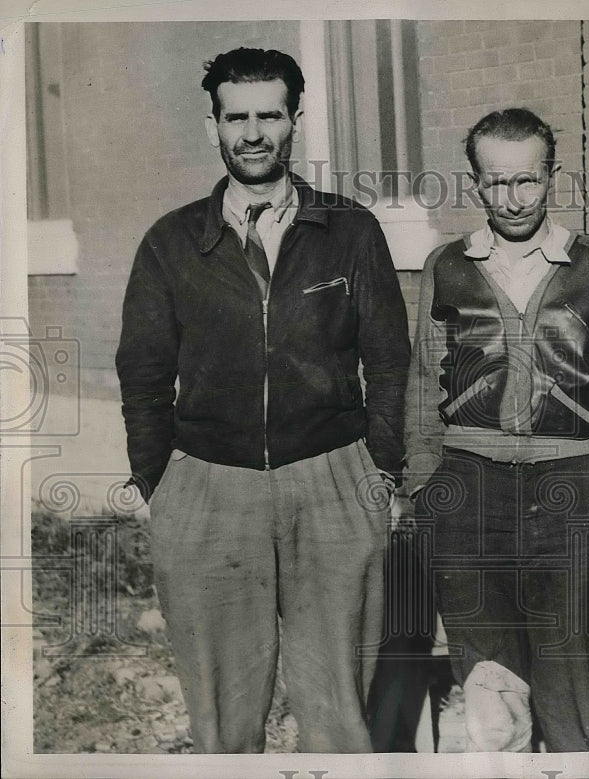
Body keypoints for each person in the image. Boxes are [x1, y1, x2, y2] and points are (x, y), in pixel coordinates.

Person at [115, 47, 410, 753]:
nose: (252, 133)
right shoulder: (173, 242)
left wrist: (384, 469)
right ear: (212, 124)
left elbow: (393, 361)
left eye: (269, 115)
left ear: (295, 120)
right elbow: (143, 372)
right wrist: (163, 482)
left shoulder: (350, 230)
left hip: (333, 479)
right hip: (209, 486)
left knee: (340, 716)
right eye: (236, 116)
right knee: (223, 720)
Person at [403, 108, 589, 752]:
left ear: (552, 177)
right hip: (468, 490)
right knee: (491, 702)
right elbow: (425, 383)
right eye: (496, 182)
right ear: (476, 184)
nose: (513, 199)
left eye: (528, 181)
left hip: (572, 488)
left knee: (571, 703)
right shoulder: (447, 265)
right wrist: (425, 489)